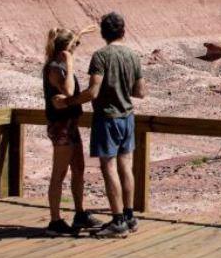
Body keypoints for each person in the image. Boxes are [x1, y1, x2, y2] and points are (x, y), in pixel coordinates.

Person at [71, 12, 145, 239]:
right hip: (127, 117)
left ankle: (117, 220)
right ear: (123, 31)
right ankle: (130, 216)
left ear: (103, 34)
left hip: (107, 119)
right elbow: (140, 92)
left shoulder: (101, 56)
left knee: (109, 167)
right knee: (126, 165)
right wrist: (123, 88)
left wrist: (70, 101)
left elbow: (93, 91)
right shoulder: (133, 56)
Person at [42, 25, 100, 236]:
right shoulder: (56, 68)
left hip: (70, 124)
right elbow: (68, 91)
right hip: (61, 126)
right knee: (59, 174)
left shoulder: (59, 63)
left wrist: (80, 35)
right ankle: (55, 221)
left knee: (78, 169)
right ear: (64, 49)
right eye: (74, 45)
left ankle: (80, 213)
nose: (77, 47)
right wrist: (71, 64)